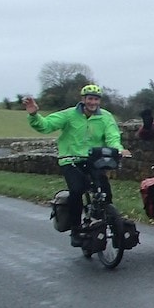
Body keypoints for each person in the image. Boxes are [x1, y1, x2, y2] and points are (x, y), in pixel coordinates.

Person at [23, 84, 132, 246]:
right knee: (77, 190)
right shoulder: (69, 115)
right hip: (71, 159)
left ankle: (102, 217)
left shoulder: (106, 117)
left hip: (94, 159)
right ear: (83, 99)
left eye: (95, 99)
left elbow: (112, 136)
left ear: (99, 101)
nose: (93, 102)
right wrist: (34, 115)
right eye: (90, 99)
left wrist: (118, 150)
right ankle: (76, 229)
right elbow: (46, 126)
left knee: (105, 193)